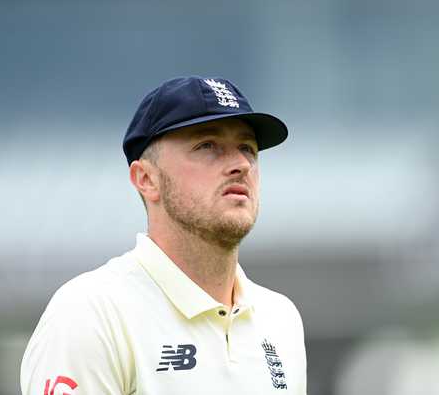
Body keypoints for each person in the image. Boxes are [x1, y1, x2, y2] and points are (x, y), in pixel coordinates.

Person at [20, 76, 307, 395]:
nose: (241, 164)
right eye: (207, 145)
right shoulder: (92, 313)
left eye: (247, 147)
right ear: (146, 179)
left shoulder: (280, 318)